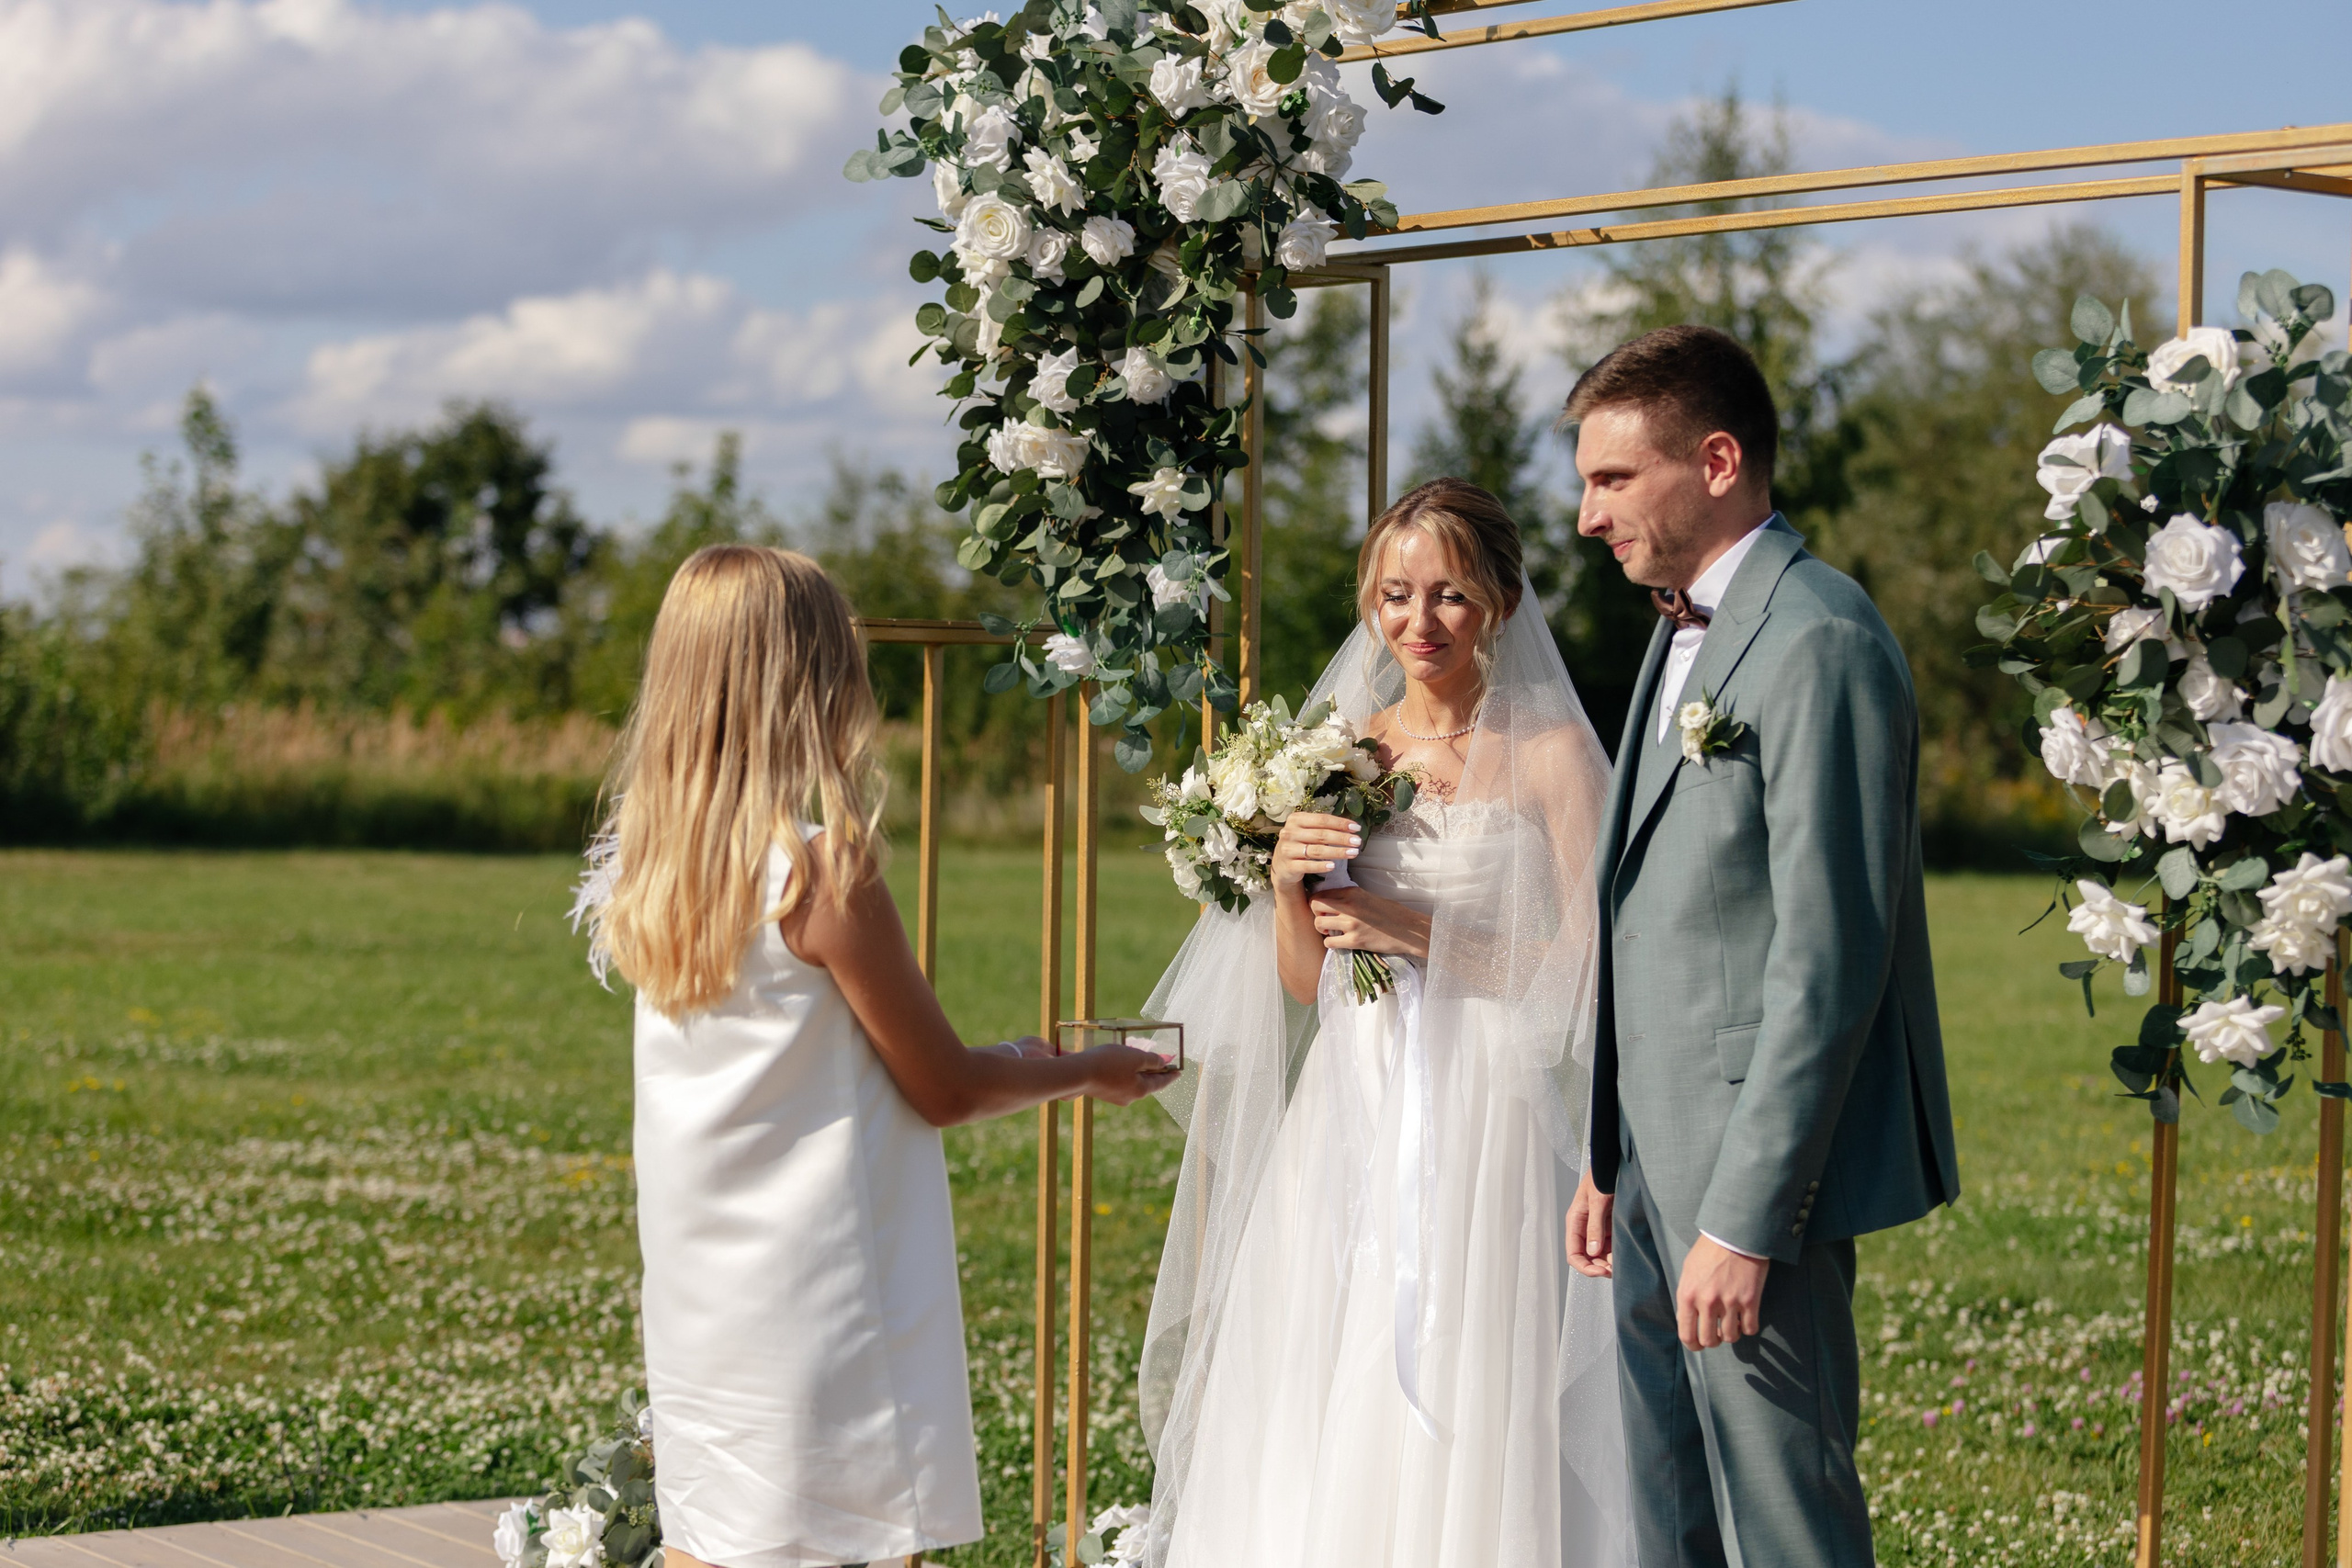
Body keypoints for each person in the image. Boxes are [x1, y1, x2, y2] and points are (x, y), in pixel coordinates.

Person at [574, 545, 1175, 1568]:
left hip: (700, 1281)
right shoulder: (816, 870)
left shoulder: (651, 860)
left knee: (715, 1533)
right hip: (821, 1284)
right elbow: (946, 1087)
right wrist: (1078, 1066)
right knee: (840, 1535)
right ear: (809, 681)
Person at [1136, 479, 1631, 1568]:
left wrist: (1421, 935)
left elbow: (1595, 967)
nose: (1420, 623)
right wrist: (1282, 888)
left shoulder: (1549, 756)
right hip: (1353, 1093)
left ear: (1500, 601)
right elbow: (1309, 984)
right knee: (1333, 1338)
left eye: (1450, 595)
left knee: (1464, 1344)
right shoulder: (1341, 752)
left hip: (1482, 1095)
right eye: (1396, 595)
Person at [1560, 324, 1959, 1568]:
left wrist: (1743, 1218)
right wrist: (1607, 1151)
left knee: (1784, 1515)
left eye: (1612, 479)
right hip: (1649, 1168)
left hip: (1746, 1181)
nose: (1586, 516)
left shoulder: (1817, 638)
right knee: (1665, 1504)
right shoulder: (1679, 631)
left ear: (1718, 459)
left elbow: (1830, 958)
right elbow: (1664, 911)